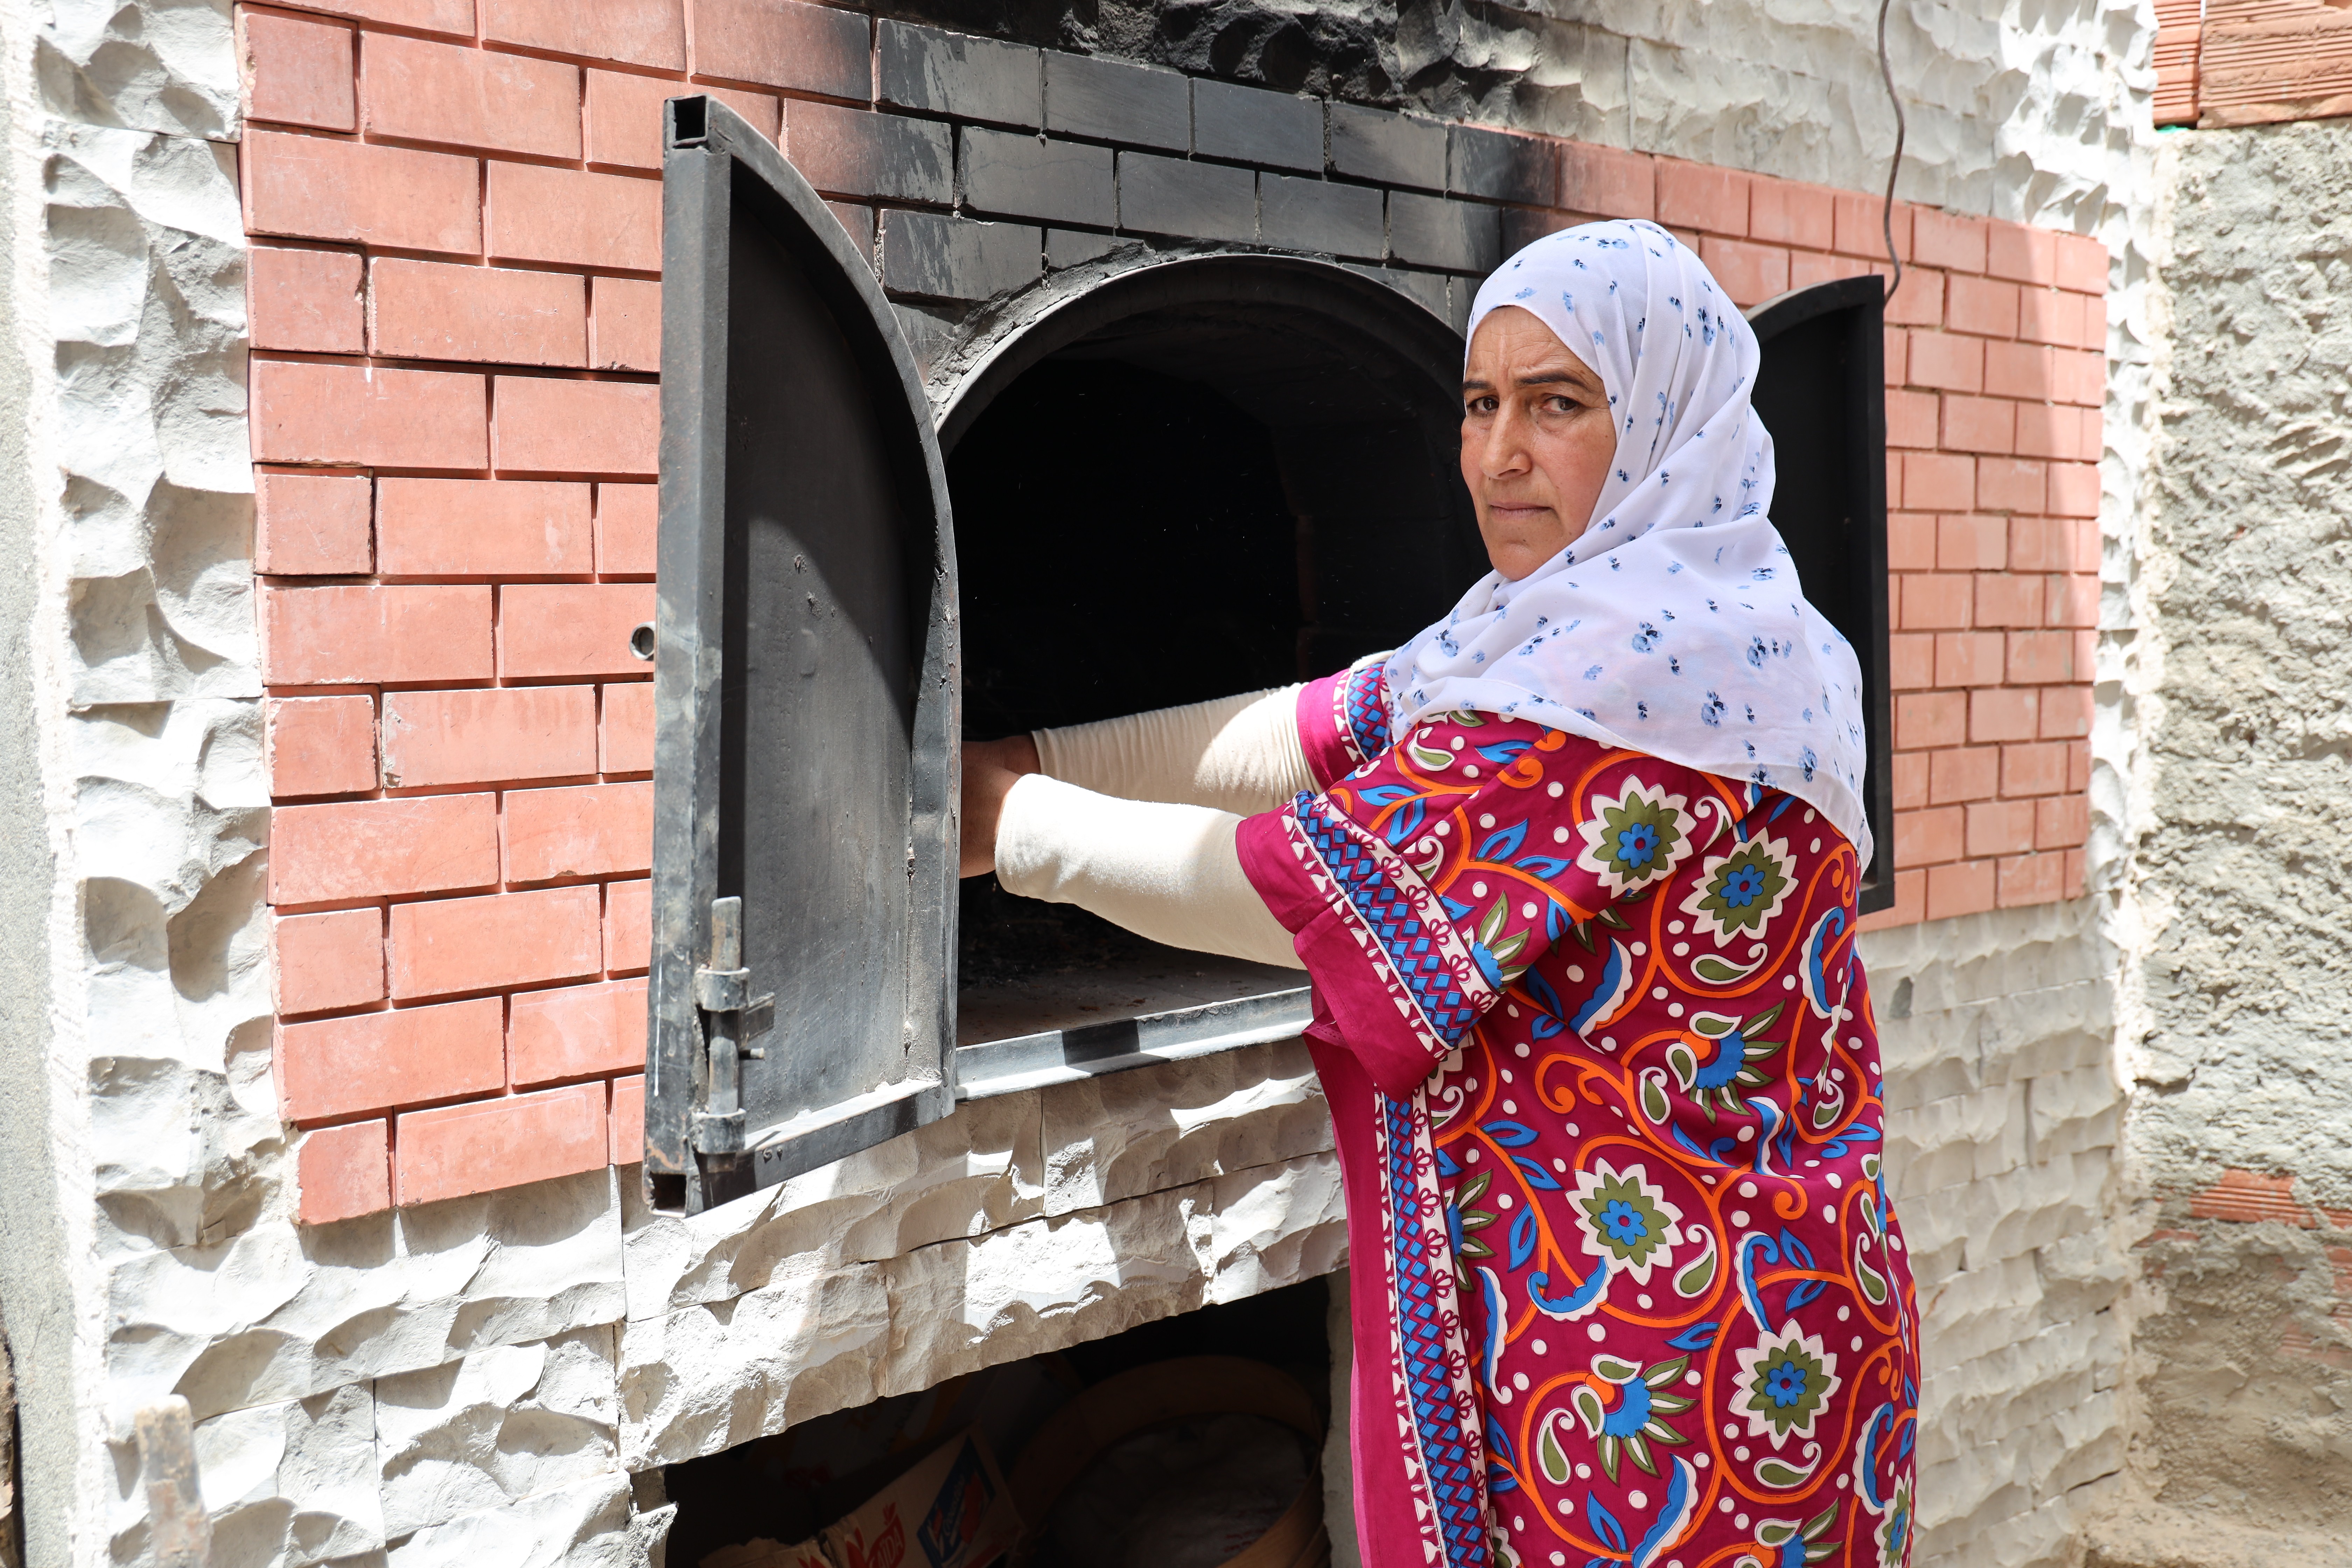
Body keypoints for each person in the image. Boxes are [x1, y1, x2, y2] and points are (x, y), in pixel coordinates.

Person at [960, 220, 1918, 1568]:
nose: (1498, 454)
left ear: (1670, 417)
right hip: (1789, 1302)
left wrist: (1013, 826)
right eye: (1480, 403)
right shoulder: (1689, 621)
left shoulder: (1634, 677)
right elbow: (1318, 728)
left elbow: (1305, 898)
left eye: (1558, 403)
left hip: (1651, 1372)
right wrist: (1032, 756)